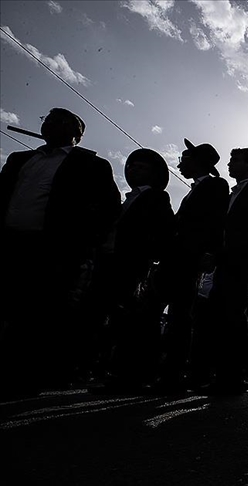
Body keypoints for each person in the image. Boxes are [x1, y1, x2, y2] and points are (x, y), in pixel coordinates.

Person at [0, 107, 120, 397]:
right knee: (8, 306)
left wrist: (84, 243)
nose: (49, 125)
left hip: (54, 250)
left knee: (41, 311)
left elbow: (109, 207)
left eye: (58, 121)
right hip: (9, 243)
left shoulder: (92, 165)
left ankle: (27, 377)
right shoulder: (21, 160)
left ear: (76, 134)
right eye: (47, 120)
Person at [95, 148, 176, 393]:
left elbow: (163, 232)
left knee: (132, 321)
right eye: (132, 166)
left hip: (133, 266)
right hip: (111, 262)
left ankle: (132, 375)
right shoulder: (126, 200)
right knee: (117, 320)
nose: (133, 170)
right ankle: (115, 371)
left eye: (141, 167)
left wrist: (148, 260)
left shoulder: (156, 198)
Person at [196, 148, 248, 395]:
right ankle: (220, 375)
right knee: (219, 315)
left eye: (235, 160)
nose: (229, 165)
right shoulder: (228, 196)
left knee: (232, 316)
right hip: (223, 262)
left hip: (241, 261)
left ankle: (231, 378)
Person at [156, 138, 229, 393]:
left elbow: (219, 221)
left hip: (190, 258)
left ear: (200, 162)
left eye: (185, 159)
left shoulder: (217, 185)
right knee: (158, 310)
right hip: (174, 258)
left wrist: (212, 252)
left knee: (179, 315)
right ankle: (152, 369)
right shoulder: (192, 191)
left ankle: (173, 374)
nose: (180, 164)